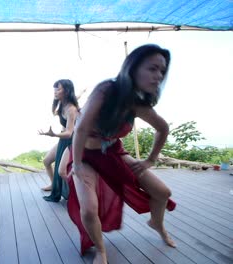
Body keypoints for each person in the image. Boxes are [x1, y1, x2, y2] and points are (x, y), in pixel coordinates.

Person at [68, 44, 176, 264]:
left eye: (162, 71)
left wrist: (150, 160)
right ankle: (101, 251)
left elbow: (163, 129)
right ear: (133, 67)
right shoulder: (107, 90)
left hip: (113, 153)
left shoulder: (138, 104)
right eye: (152, 68)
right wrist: (76, 165)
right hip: (85, 155)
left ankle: (157, 223)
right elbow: (80, 129)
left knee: (162, 192)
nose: (158, 76)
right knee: (89, 210)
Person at [39, 79, 79, 202]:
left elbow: (69, 132)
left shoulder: (71, 109)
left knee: (62, 171)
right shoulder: (62, 104)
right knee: (46, 161)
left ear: (66, 91)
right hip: (63, 139)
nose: (55, 91)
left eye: (58, 89)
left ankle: (79, 194)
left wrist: (54, 134)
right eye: (55, 89)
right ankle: (53, 185)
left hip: (73, 141)